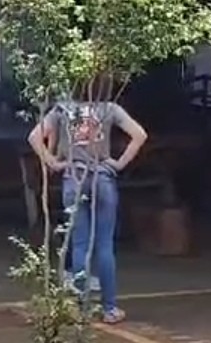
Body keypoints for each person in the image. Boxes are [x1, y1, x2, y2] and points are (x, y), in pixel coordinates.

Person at [27, 92, 148, 324]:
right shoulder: (109, 108)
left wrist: (53, 162)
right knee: (104, 245)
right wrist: (119, 164)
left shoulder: (62, 109)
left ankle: (82, 309)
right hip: (102, 178)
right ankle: (109, 308)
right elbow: (140, 135)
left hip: (74, 178)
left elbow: (34, 137)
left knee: (80, 244)